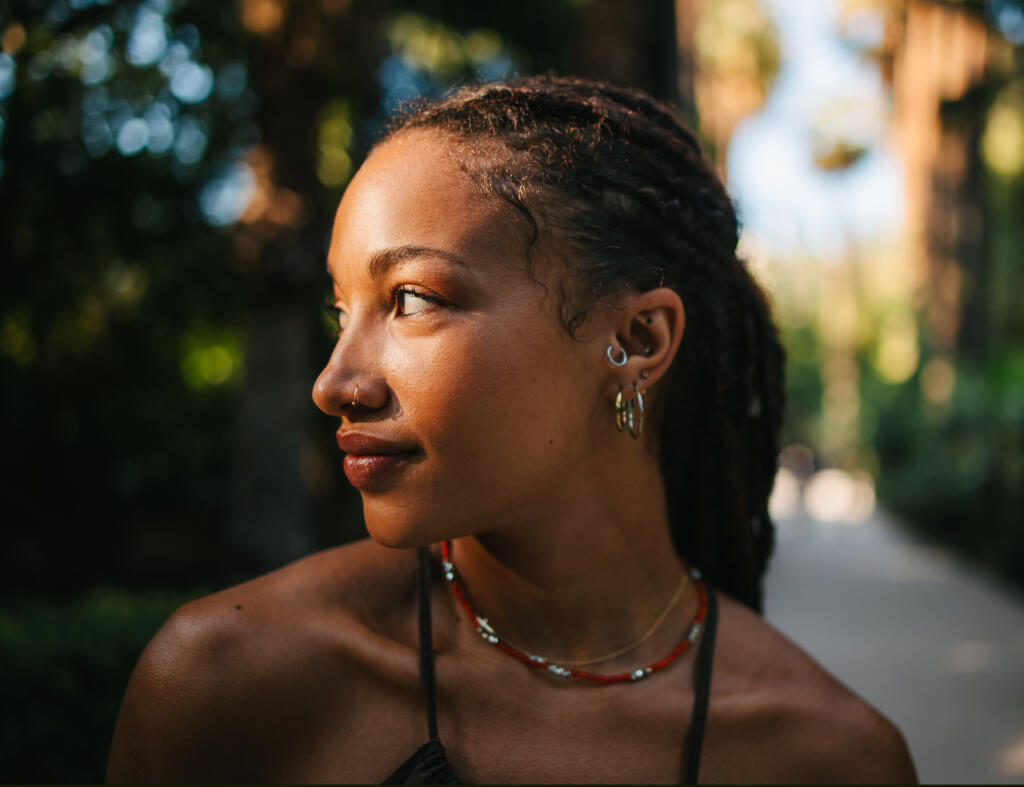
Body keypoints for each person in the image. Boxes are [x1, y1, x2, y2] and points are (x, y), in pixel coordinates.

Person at [106, 75, 916, 784]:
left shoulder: (830, 758)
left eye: (413, 299)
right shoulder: (229, 683)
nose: (334, 383)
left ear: (635, 343)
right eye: (341, 310)